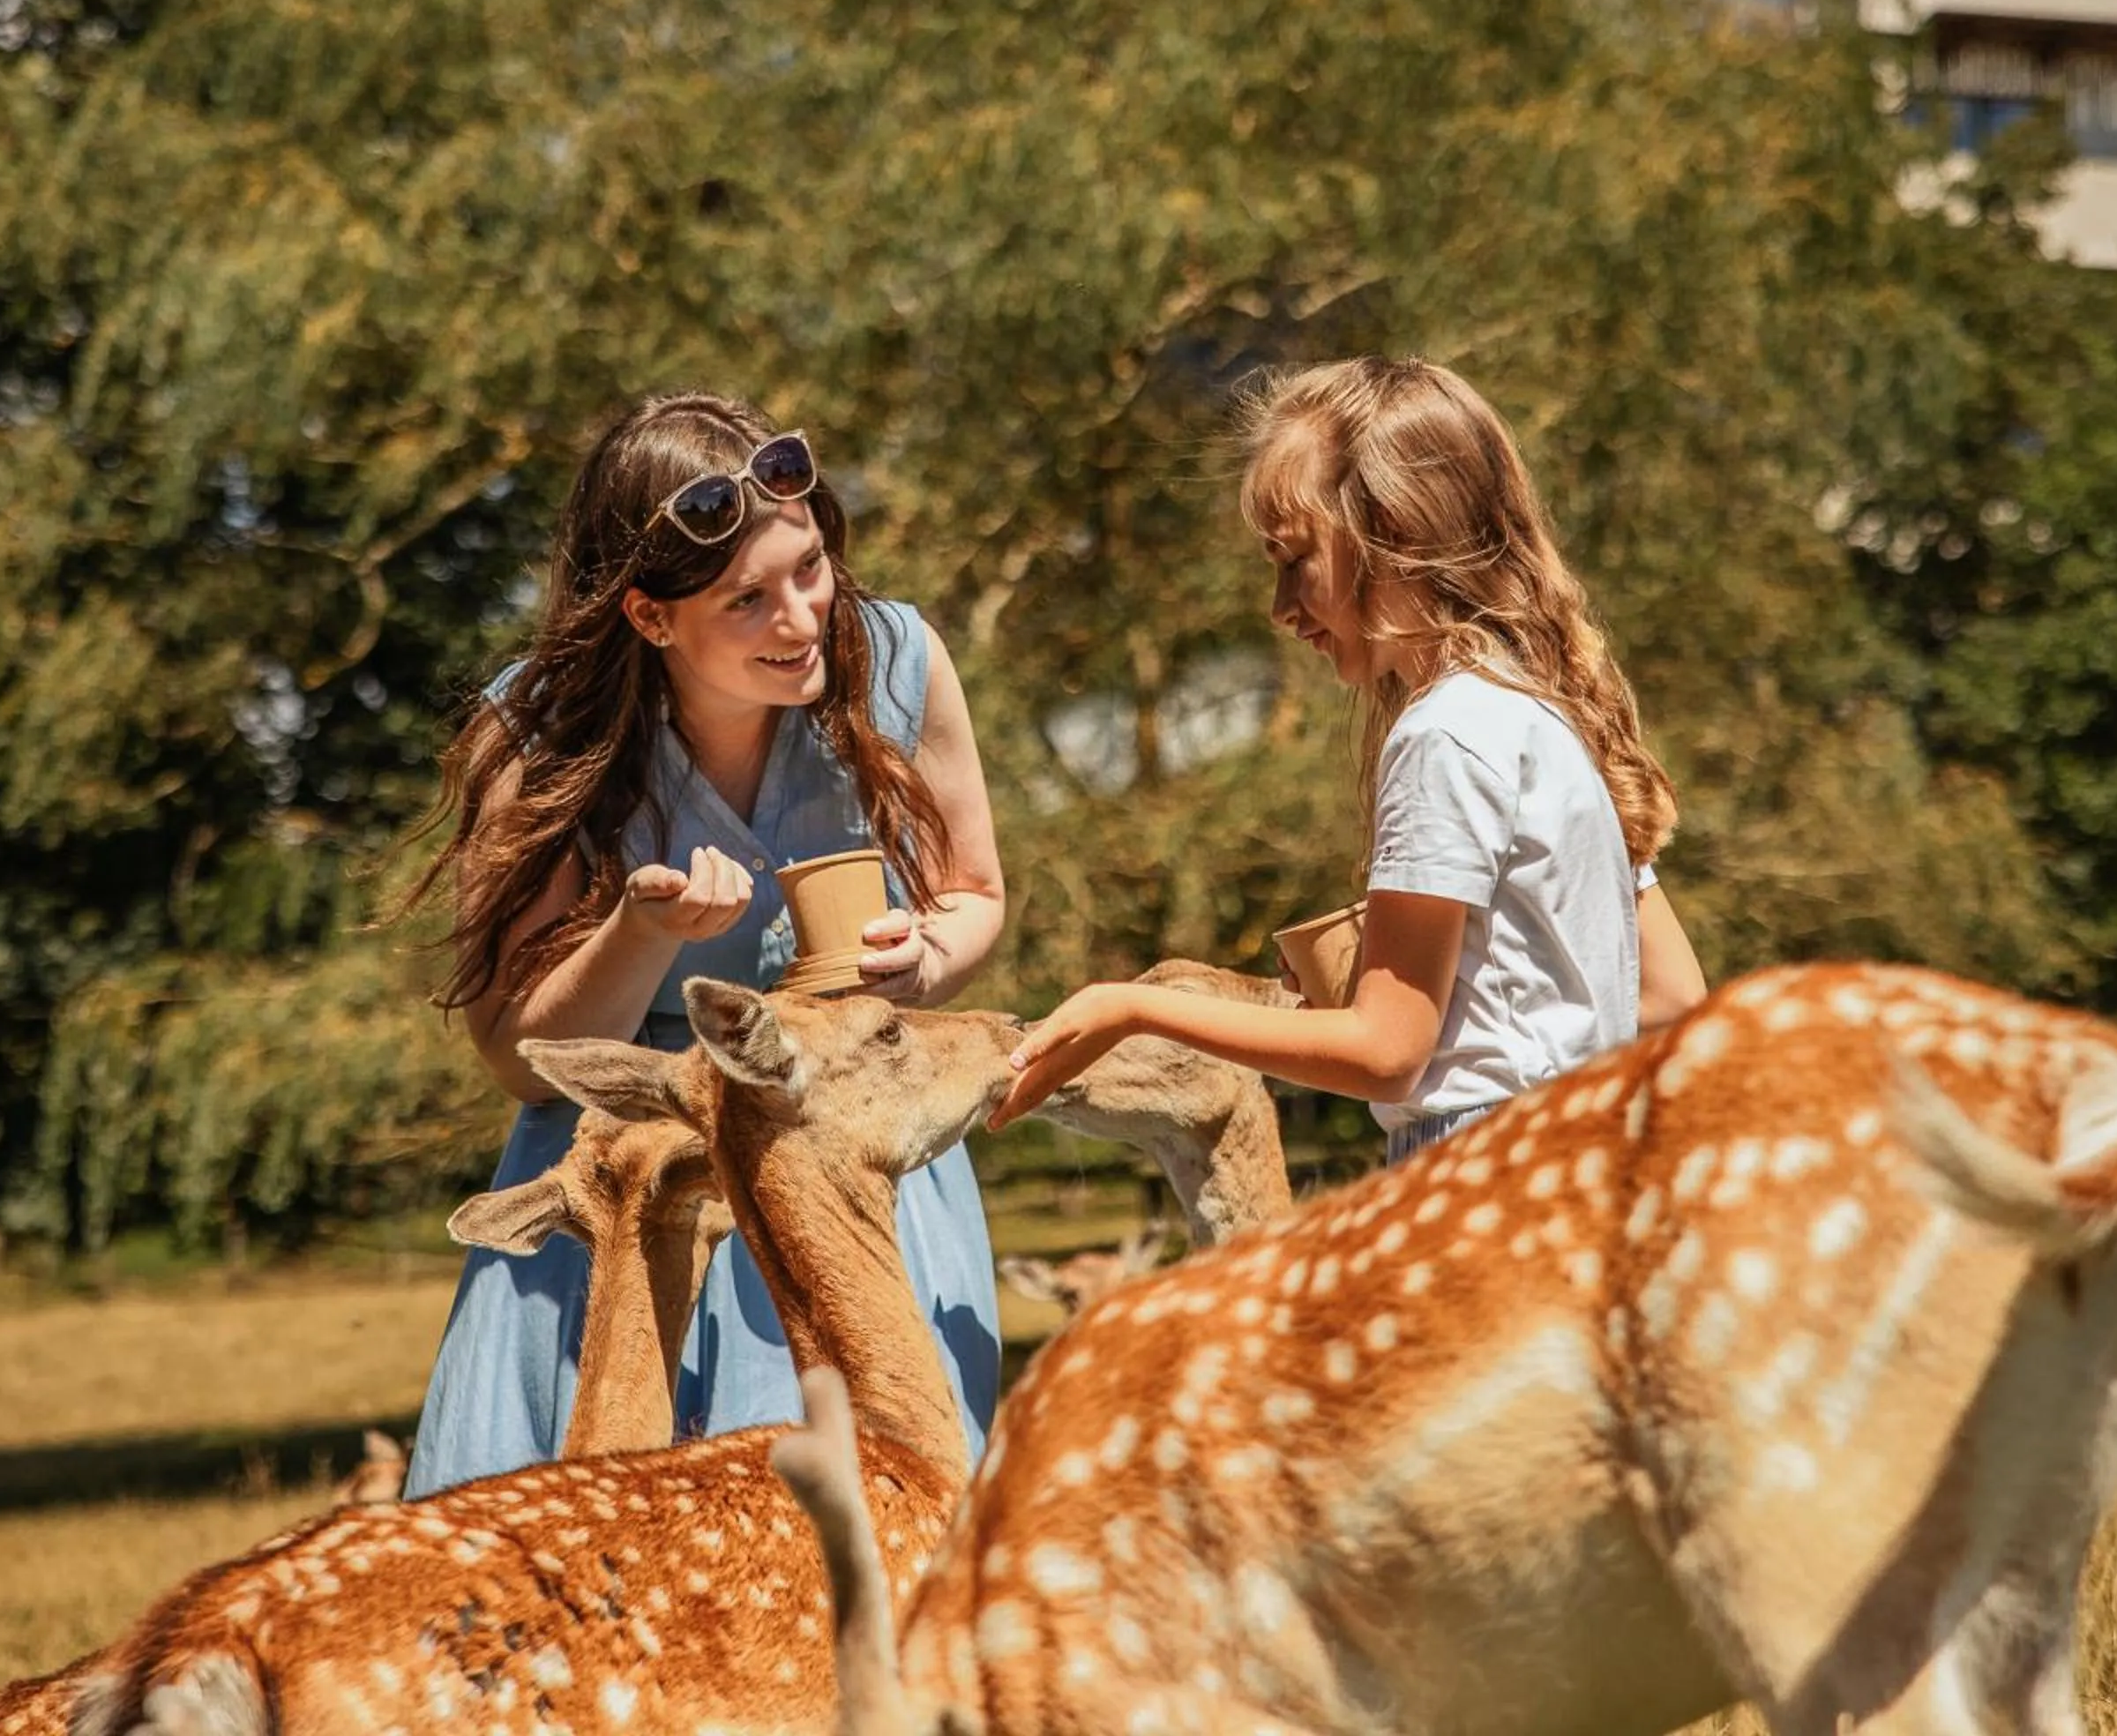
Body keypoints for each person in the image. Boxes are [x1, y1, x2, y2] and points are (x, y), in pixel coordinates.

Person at [398, 392, 1008, 1496]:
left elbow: (973, 892)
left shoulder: (898, 661)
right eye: (748, 599)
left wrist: (923, 961)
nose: (802, 617)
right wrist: (640, 930)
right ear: (649, 616)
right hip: (640, 1179)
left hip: (852, 1163)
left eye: (811, 567)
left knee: (888, 1571)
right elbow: (513, 1050)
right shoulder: (535, 735)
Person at [991, 356, 1705, 1163]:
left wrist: (1132, 1010)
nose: (1281, 609)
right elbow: (1675, 996)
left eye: (1297, 560)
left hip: (1475, 1177)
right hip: (1586, 1168)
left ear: (1397, 533)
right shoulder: (1542, 715)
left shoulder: (1442, 738)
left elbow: (1387, 1053)